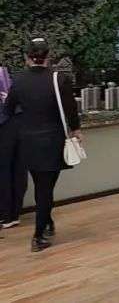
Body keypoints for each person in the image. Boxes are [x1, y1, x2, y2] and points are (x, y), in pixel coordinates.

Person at [1, 39, 82, 252]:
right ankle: (38, 235)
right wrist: (76, 130)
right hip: (53, 140)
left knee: (41, 185)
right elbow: (70, 109)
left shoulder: (18, 80)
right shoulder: (59, 79)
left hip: (27, 141)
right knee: (46, 188)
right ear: (48, 55)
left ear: (26, 57)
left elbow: (8, 109)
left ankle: (47, 221)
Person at [0, 63, 26, 230]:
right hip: (19, 124)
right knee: (18, 169)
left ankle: (5, 215)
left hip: (4, 126)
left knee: (3, 172)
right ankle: (14, 213)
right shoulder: (8, 74)